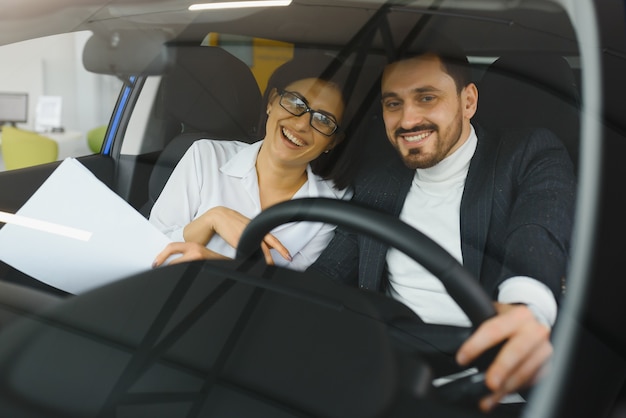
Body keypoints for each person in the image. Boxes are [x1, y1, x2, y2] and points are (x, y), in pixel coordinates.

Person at [308, 37, 576, 412]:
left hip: (496, 394)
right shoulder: (378, 177)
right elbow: (330, 271)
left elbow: (538, 233)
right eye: (393, 103)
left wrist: (525, 307)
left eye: (426, 97)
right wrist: (253, 285)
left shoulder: (527, 154)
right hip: (387, 384)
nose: (408, 120)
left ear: (468, 102)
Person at [150, 56, 353, 270]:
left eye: (323, 120)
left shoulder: (333, 202)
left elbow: (294, 290)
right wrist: (212, 219)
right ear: (271, 102)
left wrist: (210, 261)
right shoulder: (205, 156)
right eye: (295, 102)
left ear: (333, 141)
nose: (302, 124)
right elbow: (147, 250)